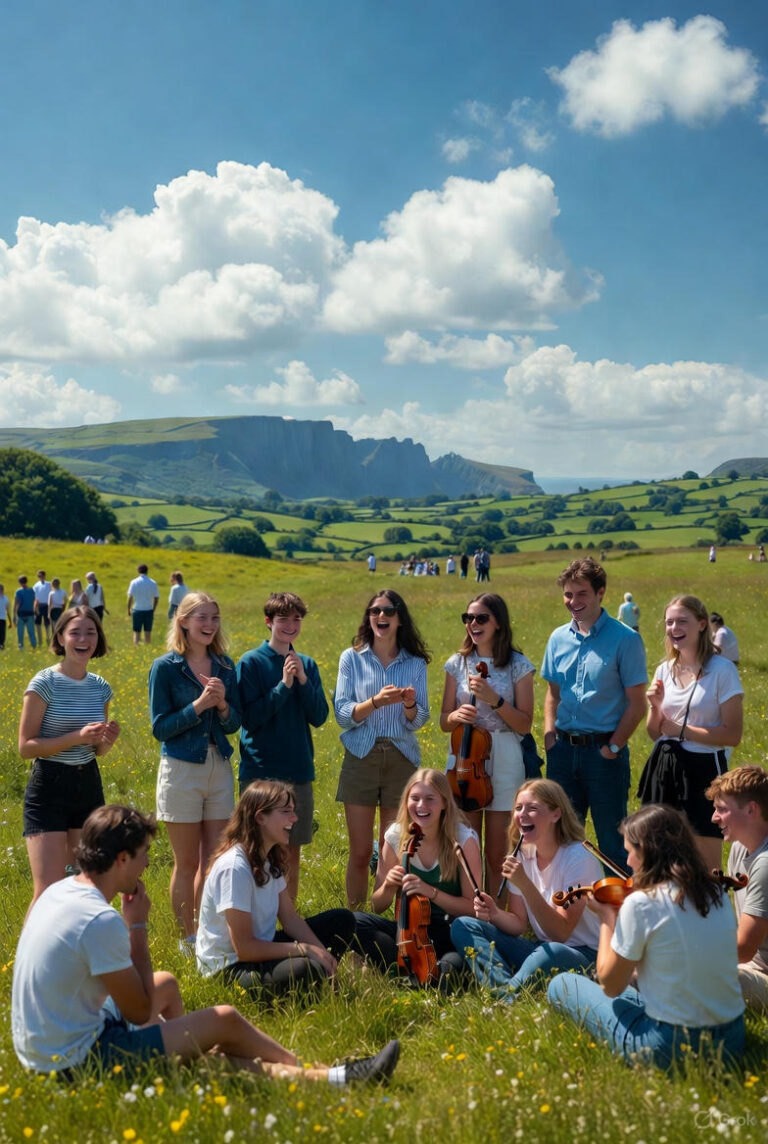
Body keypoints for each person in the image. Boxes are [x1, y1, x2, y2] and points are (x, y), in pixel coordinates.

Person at [11, 804, 400, 1084]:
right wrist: (138, 928)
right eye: (145, 855)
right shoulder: (100, 920)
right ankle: (320, 1074)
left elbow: (144, 993)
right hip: (74, 1062)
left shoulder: (61, 891)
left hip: (41, 1048)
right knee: (222, 1019)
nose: (148, 864)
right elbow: (140, 1007)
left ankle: (187, 1061)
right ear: (122, 858)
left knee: (166, 982)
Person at [547, 805, 745, 1069]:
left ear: (649, 852)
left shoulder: (641, 903)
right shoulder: (716, 892)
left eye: (631, 852)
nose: (627, 862)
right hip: (732, 1039)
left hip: (670, 1046)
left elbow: (611, 985)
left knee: (563, 984)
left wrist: (608, 919)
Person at [197, 781, 356, 993]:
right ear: (260, 817)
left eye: (293, 811)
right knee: (305, 967)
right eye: (286, 812)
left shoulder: (268, 858)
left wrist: (319, 951)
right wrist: (303, 950)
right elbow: (244, 949)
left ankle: (323, 975)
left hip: (261, 947)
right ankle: (313, 981)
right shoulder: (234, 868)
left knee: (342, 920)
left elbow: (290, 919)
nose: (294, 818)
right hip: (231, 967)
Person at [541, 558, 647, 873]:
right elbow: (552, 694)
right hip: (561, 753)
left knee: (613, 846)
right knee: (560, 842)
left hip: (603, 756)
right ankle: (566, 917)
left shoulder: (626, 639)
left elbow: (637, 705)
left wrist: (613, 748)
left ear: (601, 593)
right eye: (568, 594)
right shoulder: (557, 638)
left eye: (582, 594)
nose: (573, 602)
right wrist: (549, 736)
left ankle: (620, 918)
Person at [149, 591, 240, 953]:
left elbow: (234, 723)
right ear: (183, 621)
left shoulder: (225, 666)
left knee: (215, 860)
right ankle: (187, 938)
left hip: (218, 767)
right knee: (186, 862)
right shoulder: (166, 667)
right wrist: (200, 705)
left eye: (214, 617)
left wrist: (221, 707)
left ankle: (207, 932)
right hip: (182, 768)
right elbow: (160, 727)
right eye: (201, 617)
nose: (209, 625)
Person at [451, 779, 601, 1000]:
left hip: (584, 955)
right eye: (518, 808)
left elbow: (560, 933)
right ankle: (506, 987)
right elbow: (519, 924)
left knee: (552, 952)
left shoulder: (578, 858)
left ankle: (506, 997)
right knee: (463, 925)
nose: (522, 814)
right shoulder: (522, 854)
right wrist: (494, 914)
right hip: (541, 949)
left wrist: (525, 884)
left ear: (556, 815)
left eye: (532, 808)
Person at [334, 589, 430, 908]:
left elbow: (419, 721)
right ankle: (355, 922)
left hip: (401, 758)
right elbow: (343, 714)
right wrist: (374, 702)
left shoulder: (415, 663)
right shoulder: (352, 658)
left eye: (388, 611)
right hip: (361, 755)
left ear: (400, 618)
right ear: (369, 618)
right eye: (375, 611)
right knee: (361, 851)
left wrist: (409, 705)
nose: (381, 617)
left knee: (393, 851)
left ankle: (385, 924)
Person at [18, 606, 120, 906]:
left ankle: (76, 952)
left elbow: (96, 750)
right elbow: (26, 747)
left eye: (91, 632)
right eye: (75, 632)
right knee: (48, 890)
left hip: (88, 784)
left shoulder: (100, 687)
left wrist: (106, 742)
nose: (83, 639)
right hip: (48, 786)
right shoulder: (44, 683)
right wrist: (76, 737)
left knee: (87, 885)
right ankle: (30, 954)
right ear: (61, 637)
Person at [237, 592, 328, 900]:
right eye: (283, 619)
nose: (291, 625)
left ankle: (288, 923)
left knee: (291, 853)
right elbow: (249, 719)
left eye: (297, 619)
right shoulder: (251, 663)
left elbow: (319, 716)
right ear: (268, 622)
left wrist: (302, 679)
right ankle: (256, 922)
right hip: (260, 773)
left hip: (298, 771)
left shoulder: (308, 665)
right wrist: (283, 686)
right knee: (256, 850)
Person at [440, 593, 535, 888]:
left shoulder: (518, 664)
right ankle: (471, 914)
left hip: (505, 754)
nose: (473, 624)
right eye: (468, 618)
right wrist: (456, 716)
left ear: (498, 623)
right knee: (465, 851)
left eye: (481, 618)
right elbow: (444, 720)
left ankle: (499, 918)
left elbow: (525, 723)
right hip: (465, 756)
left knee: (498, 854)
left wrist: (495, 700)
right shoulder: (457, 663)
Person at [353, 768, 481, 984]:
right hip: (409, 933)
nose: (421, 806)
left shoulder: (463, 839)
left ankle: (405, 969)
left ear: (444, 804)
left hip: (450, 929)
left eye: (430, 799)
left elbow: (473, 909)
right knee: (354, 922)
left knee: (452, 969)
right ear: (406, 802)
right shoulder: (396, 836)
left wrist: (431, 892)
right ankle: (405, 966)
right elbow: (377, 905)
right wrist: (389, 887)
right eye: (415, 798)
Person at [642, 595, 743, 868]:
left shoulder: (722, 670)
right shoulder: (664, 669)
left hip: (704, 772)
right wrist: (655, 707)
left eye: (682, 621)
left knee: (705, 865)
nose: (674, 628)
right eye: (669, 622)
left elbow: (732, 734)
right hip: (664, 769)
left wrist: (683, 731)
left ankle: (711, 910)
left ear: (701, 625)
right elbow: (655, 733)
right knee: (659, 860)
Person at [709, 766, 768, 1012]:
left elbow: (743, 949)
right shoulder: (740, 848)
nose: (714, 817)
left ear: (751, 810)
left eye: (722, 809)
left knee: (703, 979)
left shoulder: (765, 864)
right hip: (748, 967)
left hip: (761, 973)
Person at [127, 563, 159, 645]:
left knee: (136, 631)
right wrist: (154, 608)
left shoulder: (134, 582)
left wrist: (128, 609)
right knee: (148, 632)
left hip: (137, 609)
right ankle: (147, 647)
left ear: (138, 571)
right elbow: (156, 598)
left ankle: (136, 646)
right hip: (148, 609)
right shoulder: (153, 582)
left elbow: (130, 597)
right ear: (147, 571)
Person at [14, 575, 37, 650]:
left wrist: (14, 615)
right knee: (31, 632)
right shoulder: (32, 590)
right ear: (26, 581)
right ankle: (34, 646)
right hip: (30, 613)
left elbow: (17, 603)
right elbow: (34, 601)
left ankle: (21, 646)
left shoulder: (19, 591)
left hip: (21, 614)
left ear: (20, 582)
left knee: (20, 632)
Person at [33, 569, 52, 643]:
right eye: (38, 576)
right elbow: (34, 597)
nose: (40, 577)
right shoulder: (36, 585)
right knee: (38, 624)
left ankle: (48, 639)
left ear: (44, 576)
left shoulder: (49, 584)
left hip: (47, 605)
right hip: (39, 605)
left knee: (47, 623)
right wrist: (35, 607)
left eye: (41, 576)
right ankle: (40, 640)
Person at [0, 582, 11, 650]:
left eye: (1, 589)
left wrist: (10, 622)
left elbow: (8, 611)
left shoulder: (6, 599)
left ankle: (1, 647)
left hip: (2, 619)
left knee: (2, 634)